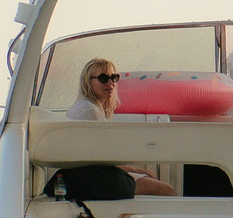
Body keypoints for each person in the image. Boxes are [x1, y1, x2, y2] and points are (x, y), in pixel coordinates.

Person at [57, 58, 175, 197]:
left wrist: (131, 170)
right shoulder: (88, 111)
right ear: (88, 82)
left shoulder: (93, 107)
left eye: (114, 78)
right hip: (92, 177)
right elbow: (99, 158)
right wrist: (131, 170)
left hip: (96, 173)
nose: (110, 83)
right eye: (103, 78)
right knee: (166, 190)